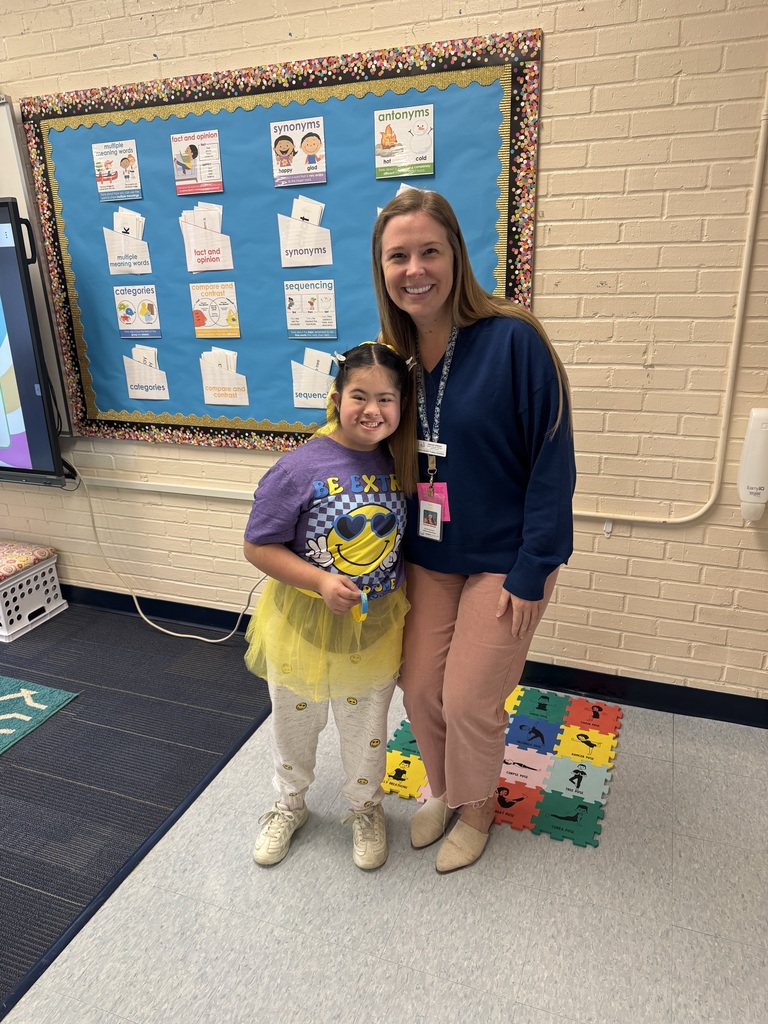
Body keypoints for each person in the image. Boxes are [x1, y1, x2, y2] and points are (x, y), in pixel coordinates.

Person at [371, 189, 576, 873]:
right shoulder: (390, 364)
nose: (415, 268)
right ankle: (448, 788)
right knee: (420, 687)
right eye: (398, 255)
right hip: (430, 557)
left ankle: (478, 808)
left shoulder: (515, 340)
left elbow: (552, 461)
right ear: (382, 269)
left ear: (456, 255)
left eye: (430, 250)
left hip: (508, 558)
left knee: (468, 697)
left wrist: (534, 565)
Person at [243, 342, 416, 870]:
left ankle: (365, 808)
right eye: (359, 396)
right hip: (304, 627)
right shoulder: (300, 468)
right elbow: (259, 546)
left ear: (401, 407)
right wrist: (319, 582)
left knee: (366, 729)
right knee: (295, 724)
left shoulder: (403, 463)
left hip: (375, 629)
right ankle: (289, 803)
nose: (372, 410)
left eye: (386, 399)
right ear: (336, 398)